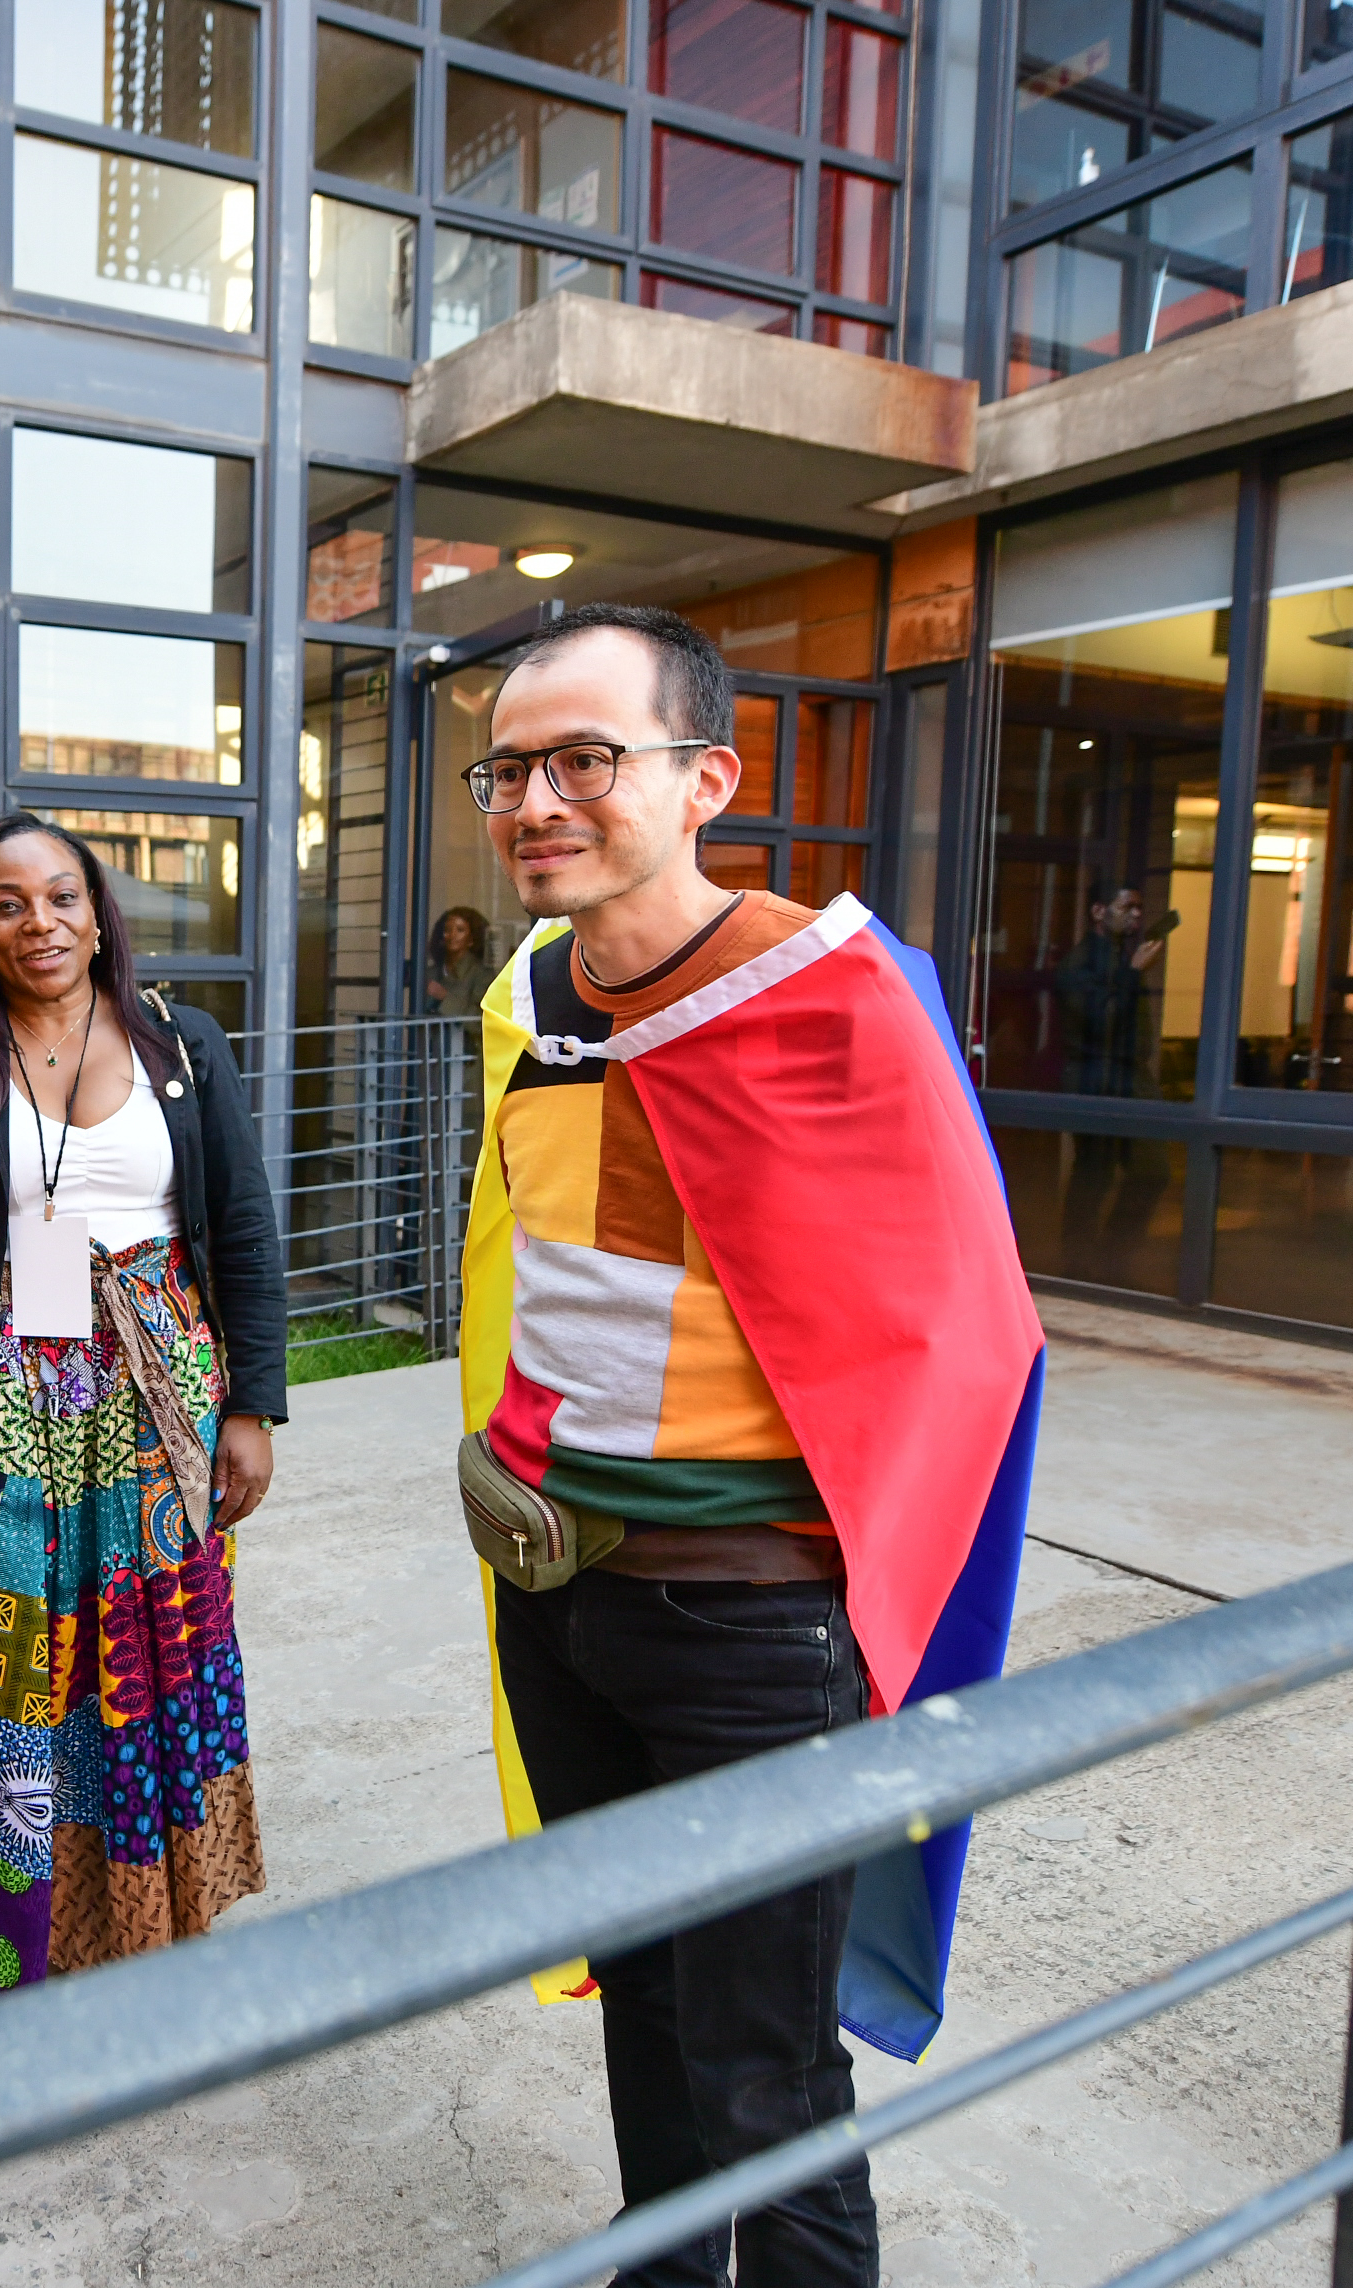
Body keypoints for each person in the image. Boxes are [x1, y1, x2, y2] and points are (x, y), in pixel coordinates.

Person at [455, 604, 1042, 2286]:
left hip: (752, 1624)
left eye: (586, 759)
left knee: (765, 2061)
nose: (536, 799)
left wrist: (863, 1603)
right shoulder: (533, 995)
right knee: (641, 1989)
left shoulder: (829, 997)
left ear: (709, 776)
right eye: (509, 769)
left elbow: (970, 1328)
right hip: (557, 1593)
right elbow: (542, 1271)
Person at [0, 813, 287, 2017]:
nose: (37, 923)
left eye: (60, 897)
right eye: (7, 904)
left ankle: (150, 1916)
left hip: (158, 1392)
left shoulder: (182, 1046)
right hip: (2, 1400)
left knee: (152, 1653)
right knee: (1, 1665)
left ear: (97, 912)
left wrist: (252, 1405)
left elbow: (243, 1231)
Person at [1056, 878, 1171, 1097]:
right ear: (1099, 912)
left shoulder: (1119, 956)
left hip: (1125, 1080)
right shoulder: (1081, 963)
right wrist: (1134, 973)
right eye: (1127, 907)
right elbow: (1102, 1022)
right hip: (1097, 1084)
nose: (1136, 914)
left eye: (1139, 908)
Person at [425, 903, 501, 1015]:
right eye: (447, 930)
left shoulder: (482, 975)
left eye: (460, 930)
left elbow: (481, 1020)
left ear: (471, 939)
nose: (452, 935)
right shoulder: (431, 973)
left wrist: (444, 997)